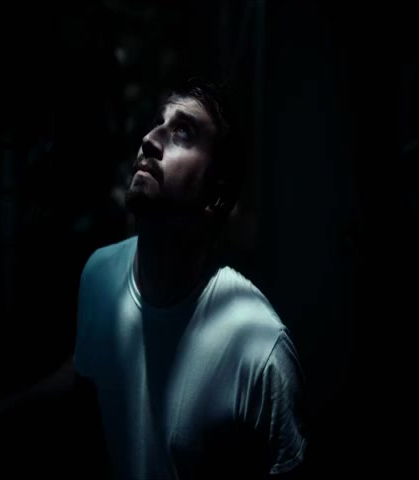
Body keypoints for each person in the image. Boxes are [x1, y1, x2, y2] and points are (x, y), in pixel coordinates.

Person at [72, 78, 308, 479]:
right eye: (157, 122)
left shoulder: (259, 347)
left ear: (217, 196)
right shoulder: (98, 276)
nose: (149, 139)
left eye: (183, 132)